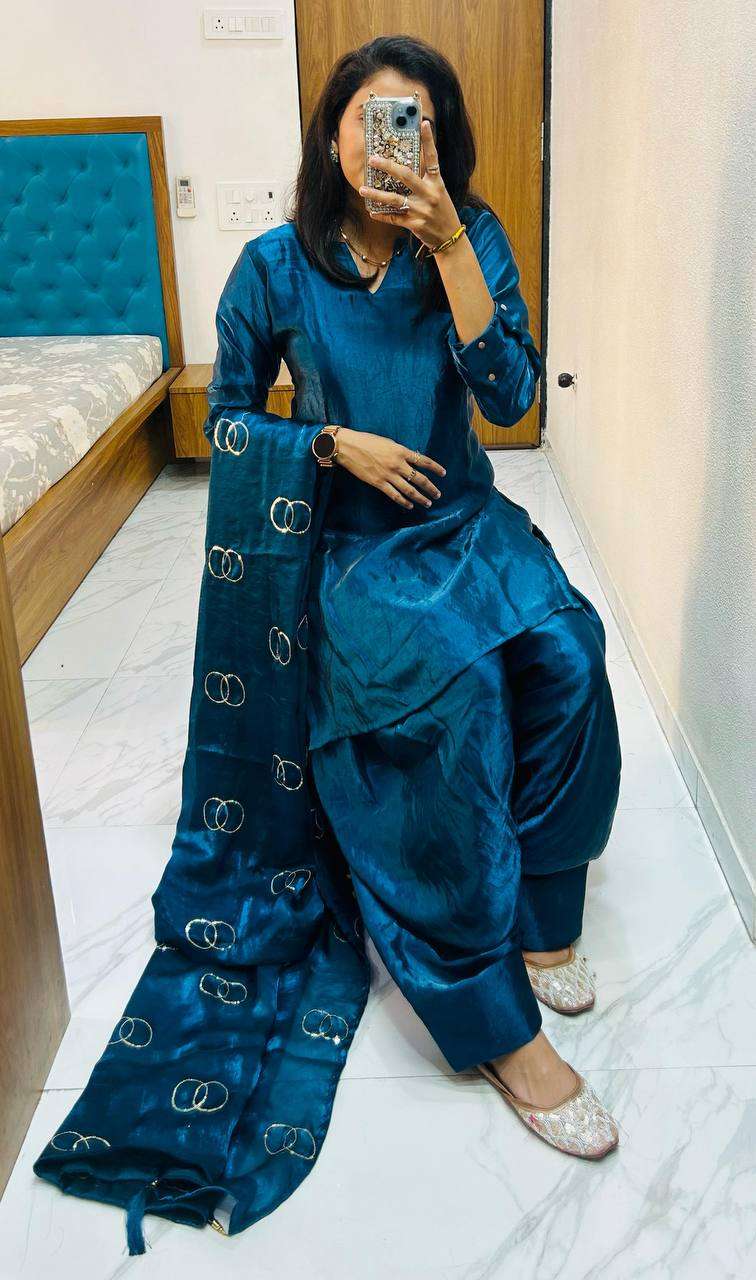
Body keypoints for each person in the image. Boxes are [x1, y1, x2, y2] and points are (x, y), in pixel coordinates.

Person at [236, 33, 621, 1158]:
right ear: (332, 135)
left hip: (464, 522)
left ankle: (544, 913)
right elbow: (229, 424)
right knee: (446, 707)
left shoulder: (473, 236)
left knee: (570, 651)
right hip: (354, 547)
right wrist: (328, 444)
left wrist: (451, 243)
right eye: (370, 119)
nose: (387, 142)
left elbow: (508, 396)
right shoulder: (275, 264)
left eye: (413, 122)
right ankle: (493, 1021)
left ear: (438, 142)